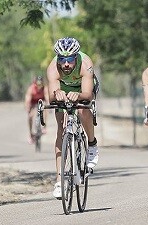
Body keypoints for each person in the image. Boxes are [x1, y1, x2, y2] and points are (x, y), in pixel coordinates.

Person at [46, 37, 100, 199]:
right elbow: (51, 97)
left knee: (83, 109)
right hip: (64, 88)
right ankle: (59, 181)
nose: (66, 64)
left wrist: (79, 95)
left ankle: (92, 144)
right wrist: (57, 93)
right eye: (62, 60)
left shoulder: (85, 63)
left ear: (76, 57)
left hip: (83, 88)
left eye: (70, 59)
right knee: (61, 127)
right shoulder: (52, 68)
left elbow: (88, 95)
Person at [24, 75, 49, 144]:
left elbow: (47, 98)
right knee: (30, 116)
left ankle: (44, 126)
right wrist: (28, 107)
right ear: (35, 83)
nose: (39, 86)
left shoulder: (45, 88)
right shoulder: (31, 88)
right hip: (33, 102)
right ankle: (30, 134)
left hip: (41, 101)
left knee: (45, 109)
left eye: (40, 84)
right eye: (37, 84)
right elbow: (27, 99)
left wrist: (48, 104)